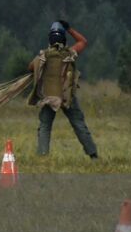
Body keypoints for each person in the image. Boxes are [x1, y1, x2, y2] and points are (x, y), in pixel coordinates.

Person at [26, 21, 98, 159]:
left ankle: (42, 155)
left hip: (49, 98)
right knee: (79, 124)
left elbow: (30, 67)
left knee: (45, 126)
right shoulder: (70, 54)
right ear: (63, 38)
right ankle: (93, 154)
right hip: (67, 97)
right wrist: (69, 28)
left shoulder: (43, 56)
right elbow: (83, 41)